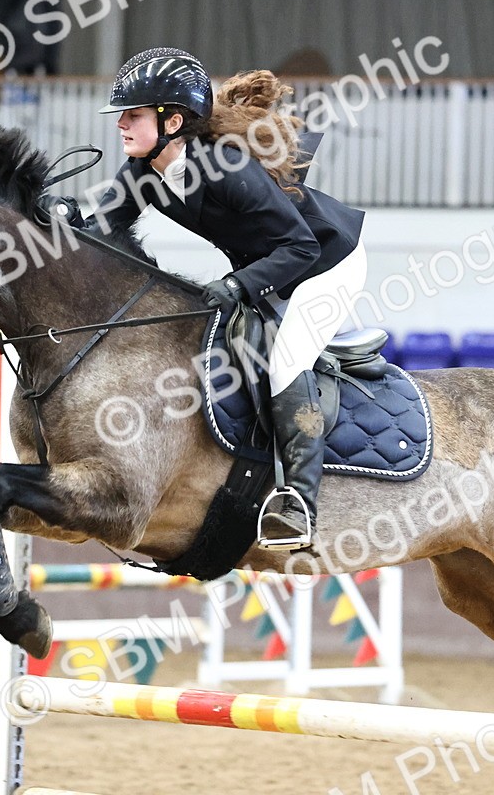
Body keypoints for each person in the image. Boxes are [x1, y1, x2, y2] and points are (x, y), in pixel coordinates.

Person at [71, 47, 367, 551]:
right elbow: (100, 232)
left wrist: (236, 287)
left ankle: (298, 504)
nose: (121, 124)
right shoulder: (144, 170)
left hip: (325, 265)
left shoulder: (227, 168)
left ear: (174, 120)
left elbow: (301, 246)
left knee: (284, 361)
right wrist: (56, 224)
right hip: (270, 263)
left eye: (133, 115)